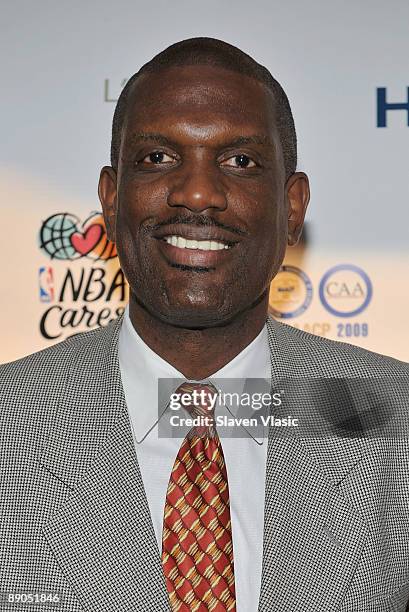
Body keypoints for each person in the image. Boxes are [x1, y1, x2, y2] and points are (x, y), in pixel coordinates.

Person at [1, 37, 408, 612]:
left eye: (239, 161)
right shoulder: (7, 422)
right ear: (111, 199)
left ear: (293, 208)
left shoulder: (395, 416)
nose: (197, 193)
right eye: (158, 159)